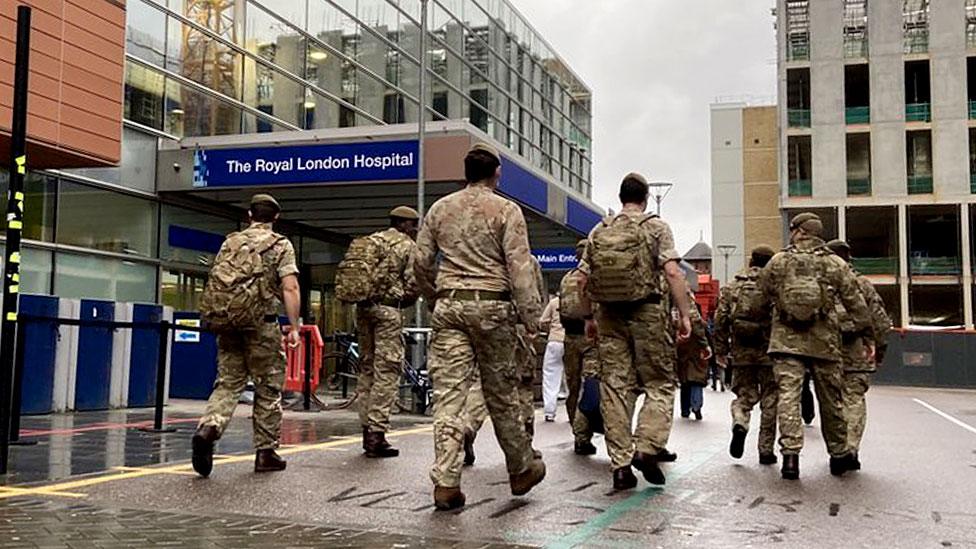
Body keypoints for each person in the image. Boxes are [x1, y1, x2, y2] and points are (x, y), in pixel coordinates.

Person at [414, 142, 546, 510]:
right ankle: (520, 469)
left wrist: (435, 294)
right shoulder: (506, 210)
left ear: (466, 172)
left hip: (449, 307)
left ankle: (446, 480)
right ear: (496, 174)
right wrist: (530, 319)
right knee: (501, 393)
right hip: (493, 308)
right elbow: (520, 270)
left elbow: (421, 262)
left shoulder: (440, 209)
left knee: (450, 396)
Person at [578, 172, 692, 491]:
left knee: (615, 388)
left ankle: (621, 467)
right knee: (660, 383)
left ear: (621, 198)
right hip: (649, 313)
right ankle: (647, 446)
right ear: (644, 199)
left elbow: (582, 280)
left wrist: (589, 318)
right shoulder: (656, 226)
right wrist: (684, 315)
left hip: (609, 316)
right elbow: (672, 271)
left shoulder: (600, 230)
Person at [192, 193, 301, 477]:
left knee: (227, 383)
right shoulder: (280, 245)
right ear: (275, 218)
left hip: (228, 323)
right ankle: (266, 453)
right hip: (262, 326)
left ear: (249, 216)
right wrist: (295, 327)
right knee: (268, 387)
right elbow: (290, 287)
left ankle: (209, 427)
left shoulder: (231, 242)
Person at [758, 212, 874, 480]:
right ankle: (838, 454)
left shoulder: (779, 261)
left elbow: (760, 301)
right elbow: (856, 303)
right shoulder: (834, 264)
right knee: (830, 400)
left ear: (798, 231)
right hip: (824, 342)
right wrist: (866, 336)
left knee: (789, 396)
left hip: (786, 343)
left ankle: (790, 458)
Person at [462, 257, 544, 466]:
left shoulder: (484, 257)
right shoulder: (528, 262)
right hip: (517, 327)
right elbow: (534, 296)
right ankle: (525, 443)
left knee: (484, 381)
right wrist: (533, 324)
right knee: (523, 386)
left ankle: (469, 425)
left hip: (488, 325)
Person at [352, 206, 419, 458]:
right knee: (387, 370)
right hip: (389, 311)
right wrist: (405, 301)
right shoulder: (406, 246)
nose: (414, 230)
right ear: (403, 225)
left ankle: (365, 430)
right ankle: (377, 435)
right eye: (413, 225)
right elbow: (413, 283)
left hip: (363, 309)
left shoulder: (371, 240)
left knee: (366, 367)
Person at [825, 239, 892, 471]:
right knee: (853, 399)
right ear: (848, 258)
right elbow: (880, 321)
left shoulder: (820, 282)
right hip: (856, 351)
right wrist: (879, 350)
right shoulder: (861, 283)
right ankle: (850, 449)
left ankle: (836, 450)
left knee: (831, 401)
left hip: (826, 351)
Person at [714, 245, 779, 466]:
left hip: (741, 352)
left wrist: (721, 350)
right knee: (771, 400)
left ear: (751, 261)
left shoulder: (733, 287)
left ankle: (740, 422)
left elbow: (720, 319)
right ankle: (766, 450)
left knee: (743, 396)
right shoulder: (775, 286)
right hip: (770, 352)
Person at [558, 240, 598, 455]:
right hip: (590, 337)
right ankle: (584, 433)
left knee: (572, 385)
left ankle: (577, 430)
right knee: (591, 383)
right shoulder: (593, 278)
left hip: (569, 337)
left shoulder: (566, 278)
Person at [677, 295, 711, 420]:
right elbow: (707, 340)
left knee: (685, 384)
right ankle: (696, 406)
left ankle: (685, 409)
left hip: (684, 358)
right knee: (696, 382)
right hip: (698, 358)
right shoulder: (700, 325)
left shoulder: (681, 326)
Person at [539, 294, 566, 422]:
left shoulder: (554, 302)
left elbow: (543, 321)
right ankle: (575, 413)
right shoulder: (579, 299)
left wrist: (549, 330)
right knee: (575, 379)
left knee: (551, 376)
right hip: (573, 341)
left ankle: (550, 412)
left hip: (555, 340)